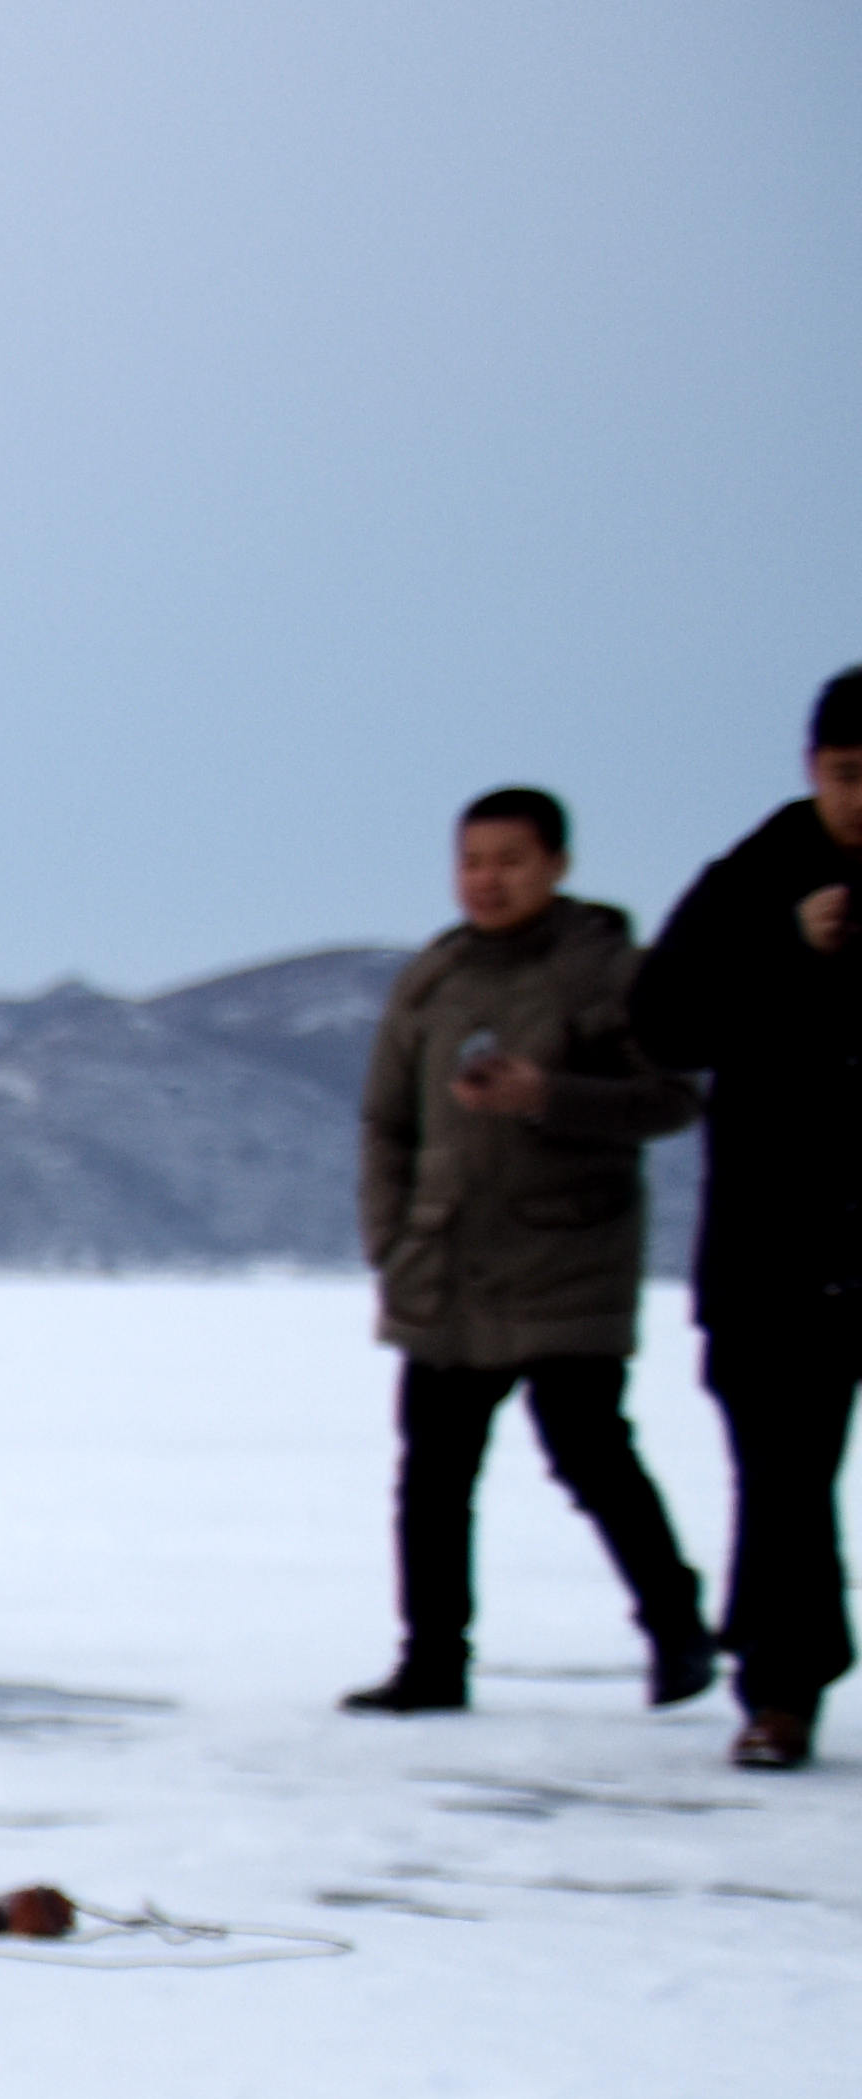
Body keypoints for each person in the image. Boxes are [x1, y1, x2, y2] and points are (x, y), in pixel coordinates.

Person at [334, 787, 703, 1718]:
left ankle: (677, 1626)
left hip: (566, 1258)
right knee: (433, 1476)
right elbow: (387, 1122)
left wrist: (549, 1093)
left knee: (589, 1453)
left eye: (509, 861)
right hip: (448, 1262)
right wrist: (392, 1237)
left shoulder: (607, 970)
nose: (486, 881)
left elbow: (671, 1098)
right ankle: (432, 1661)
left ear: (558, 866)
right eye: (471, 861)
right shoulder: (435, 979)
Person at [631, 667, 862, 1772]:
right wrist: (786, 948)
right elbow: (661, 1019)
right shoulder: (755, 877)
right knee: (780, 1481)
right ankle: (779, 1689)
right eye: (849, 776)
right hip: (776, 1242)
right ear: (811, 770)